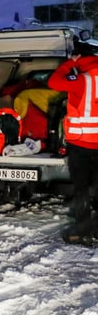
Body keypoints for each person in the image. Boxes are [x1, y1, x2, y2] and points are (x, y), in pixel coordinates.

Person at [48, 44, 98, 246]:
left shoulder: (81, 80)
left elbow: (53, 82)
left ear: (79, 58)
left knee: (82, 189)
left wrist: (70, 64)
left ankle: (84, 231)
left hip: (81, 144)